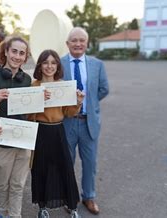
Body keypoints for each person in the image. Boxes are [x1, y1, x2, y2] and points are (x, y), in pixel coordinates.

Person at [28, 50, 84, 218]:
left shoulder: (63, 84)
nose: (49, 66)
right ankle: (42, 207)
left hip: (58, 130)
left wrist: (78, 102)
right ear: (40, 65)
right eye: (46, 62)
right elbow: (28, 115)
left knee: (64, 167)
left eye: (53, 63)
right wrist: (39, 101)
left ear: (58, 66)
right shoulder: (34, 86)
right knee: (40, 168)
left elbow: (68, 112)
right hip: (41, 131)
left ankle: (73, 207)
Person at [0, 36, 32, 218]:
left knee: (18, 185)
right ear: (6, 52)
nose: (17, 56)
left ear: (25, 57)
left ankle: (15, 215)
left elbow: (30, 111)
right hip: (0, 142)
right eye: (14, 51)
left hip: (23, 142)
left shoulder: (27, 80)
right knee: (3, 185)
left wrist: (43, 99)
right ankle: (3, 213)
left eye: (22, 53)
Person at [61, 27, 109, 215]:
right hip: (67, 122)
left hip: (89, 122)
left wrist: (90, 102)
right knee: (67, 162)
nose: (78, 44)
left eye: (81, 40)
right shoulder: (60, 63)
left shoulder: (97, 64)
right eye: (74, 40)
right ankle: (68, 197)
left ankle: (89, 196)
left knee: (90, 163)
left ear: (87, 43)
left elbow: (104, 89)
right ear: (67, 44)